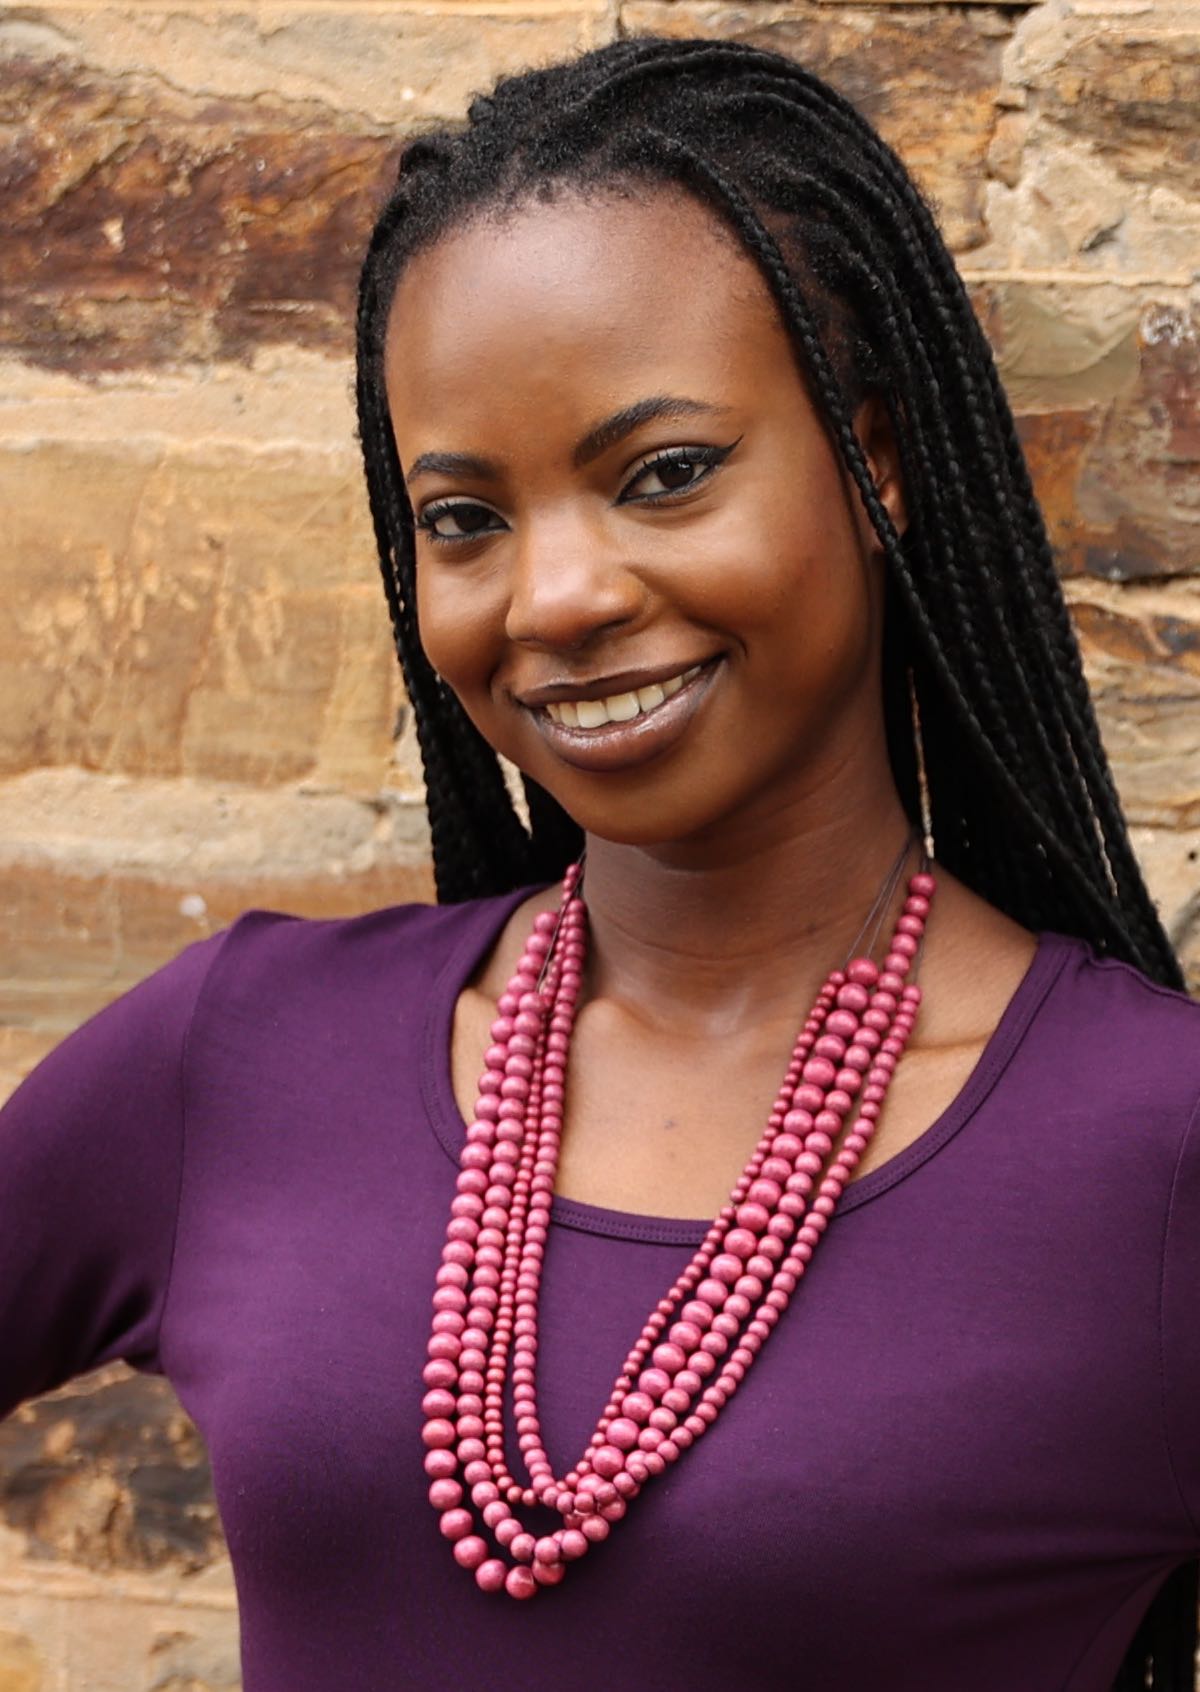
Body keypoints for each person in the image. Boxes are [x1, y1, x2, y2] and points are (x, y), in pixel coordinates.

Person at [1, 33, 1196, 1692]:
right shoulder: (246, 1052)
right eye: (466, 519)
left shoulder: (1152, 1154)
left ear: (880, 464)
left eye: (666, 474)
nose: (556, 595)